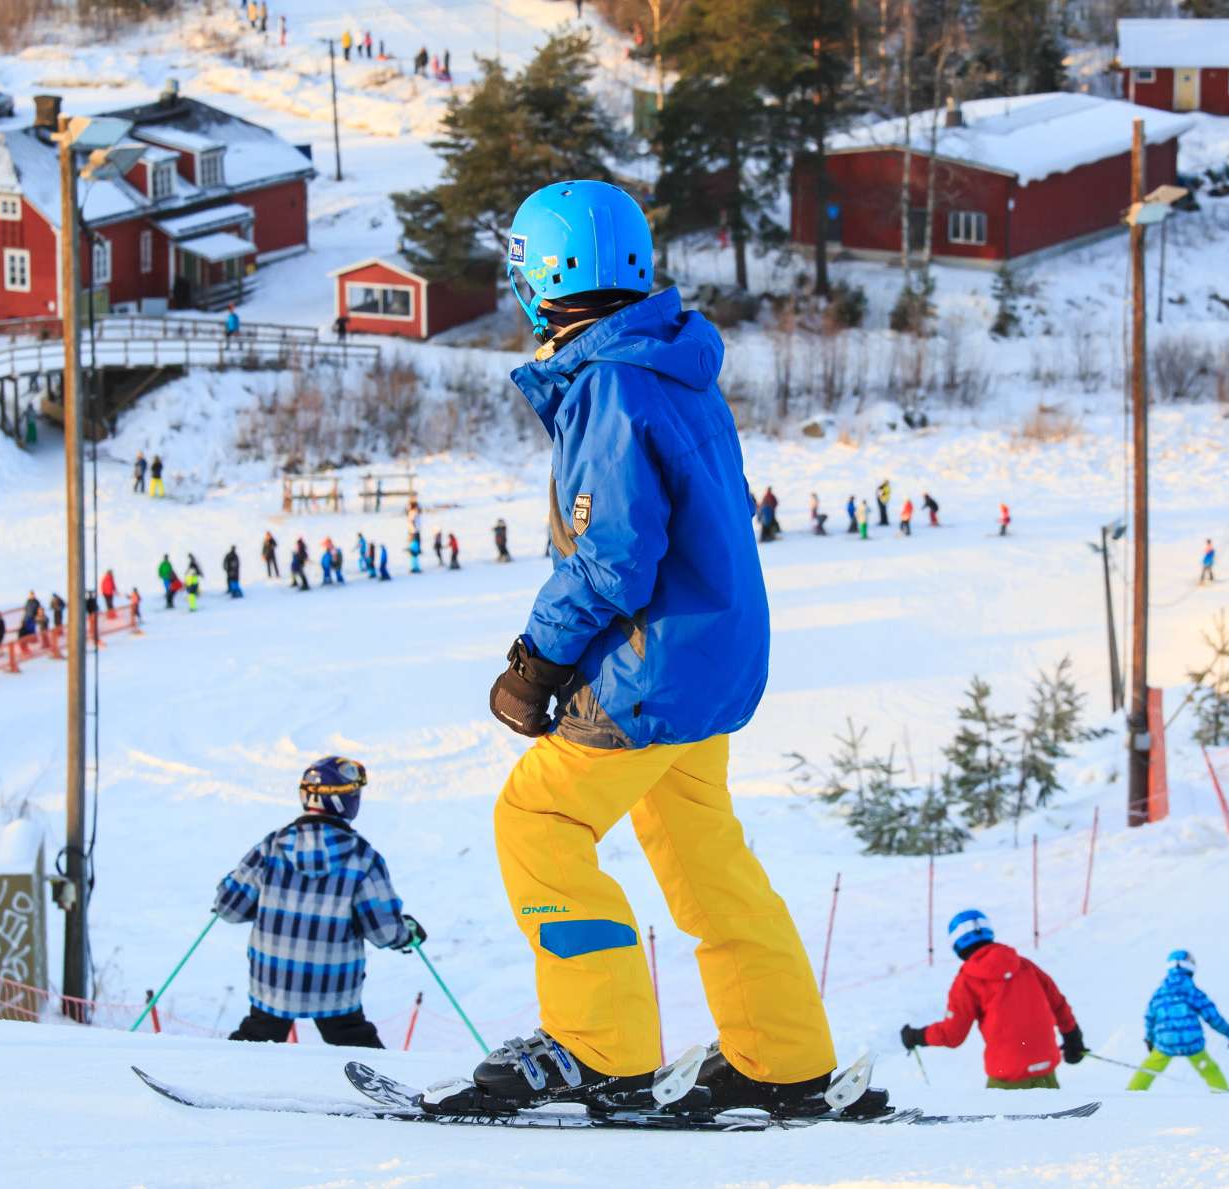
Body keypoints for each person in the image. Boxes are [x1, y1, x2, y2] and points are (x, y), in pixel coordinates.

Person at [447, 179, 876, 1120]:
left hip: (651, 672)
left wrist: (535, 664)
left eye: (519, 266)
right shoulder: (671, 364)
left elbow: (611, 556)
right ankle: (782, 1054)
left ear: (543, 276)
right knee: (703, 852)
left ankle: (600, 1048)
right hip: (709, 664)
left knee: (540, 821)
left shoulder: (610, 383)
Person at [215, 757, 420, 1047]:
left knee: (258, 1036)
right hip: (334, 987)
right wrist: (406, 934)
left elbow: (229, 908)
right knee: (354, 1039)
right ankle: (376, 1085)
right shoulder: (362, 857)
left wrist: (229, 890)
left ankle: (224, 1079)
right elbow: (384, 930)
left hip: (273, 982)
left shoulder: (271, 847)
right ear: (348, 800)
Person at [902, 910, 1084, 1090]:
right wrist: (1073, 1037)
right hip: (1046, 1068)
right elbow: (1058, 1004)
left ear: (957, 943)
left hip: (1008, 1077)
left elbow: (953, 1035)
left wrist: (918, 1036)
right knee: (1050, 1117)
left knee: (997, 1119)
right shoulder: (1025, 965)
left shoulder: (968, 979)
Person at [1128, 950, 1229, 1093]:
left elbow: (1150, 1018)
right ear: (1190, 967)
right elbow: (1212, 1016)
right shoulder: (1192, 991)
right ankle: (1223, 1093)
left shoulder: (1159, 992)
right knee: (1209, 1069)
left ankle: (1133, 1092)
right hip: (1191, 1042)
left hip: (1166, 1041)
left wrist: (1149, 1039)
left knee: (1149, 1068)